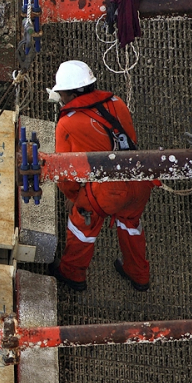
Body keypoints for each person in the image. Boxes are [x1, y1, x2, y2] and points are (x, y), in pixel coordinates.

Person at [47, 60, 155, 292]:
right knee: (130, 225)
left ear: (71, 92)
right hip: (140, 178)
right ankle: (139, 275)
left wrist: (75, 197)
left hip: (108, 190)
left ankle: (72, 275)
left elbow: (64, 172)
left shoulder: (67, 123)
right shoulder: (117, 102)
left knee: (82, 224)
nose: (61, 98)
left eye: (62, 93)